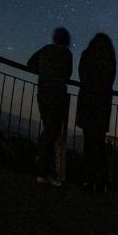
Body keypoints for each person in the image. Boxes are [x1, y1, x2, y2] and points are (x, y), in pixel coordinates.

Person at [28, 27, 73, 187]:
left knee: (49, 129)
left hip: (43, 92)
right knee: (52, 131)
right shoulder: (66, 54)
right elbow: (68, 74)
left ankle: (43, 162)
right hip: (57, 94)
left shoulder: (46, 49)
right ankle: (43, 172)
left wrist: (44, 72)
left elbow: (30, 64)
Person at [77, 33, 116, 195]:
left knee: (88, 145)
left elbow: (82, 75)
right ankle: (103, 183)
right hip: (102, 106)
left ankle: (89, 180)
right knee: (99, 145)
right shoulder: (110, 59)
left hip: (87, 103)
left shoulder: (87, 55)